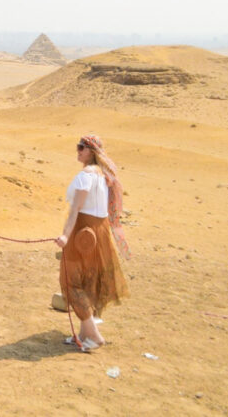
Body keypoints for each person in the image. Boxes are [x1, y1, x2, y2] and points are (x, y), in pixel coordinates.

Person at [55, 134, 129, 350]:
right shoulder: (103, 175)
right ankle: (82, 334)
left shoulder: (85, 176)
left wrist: (66, 236)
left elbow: (75, 210)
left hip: (82, 234)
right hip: (100, 232)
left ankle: (94, 336)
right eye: (77, 147)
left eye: (81, 148)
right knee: (86, 282)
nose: (77, 151)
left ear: (91, 152)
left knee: (71, 283)